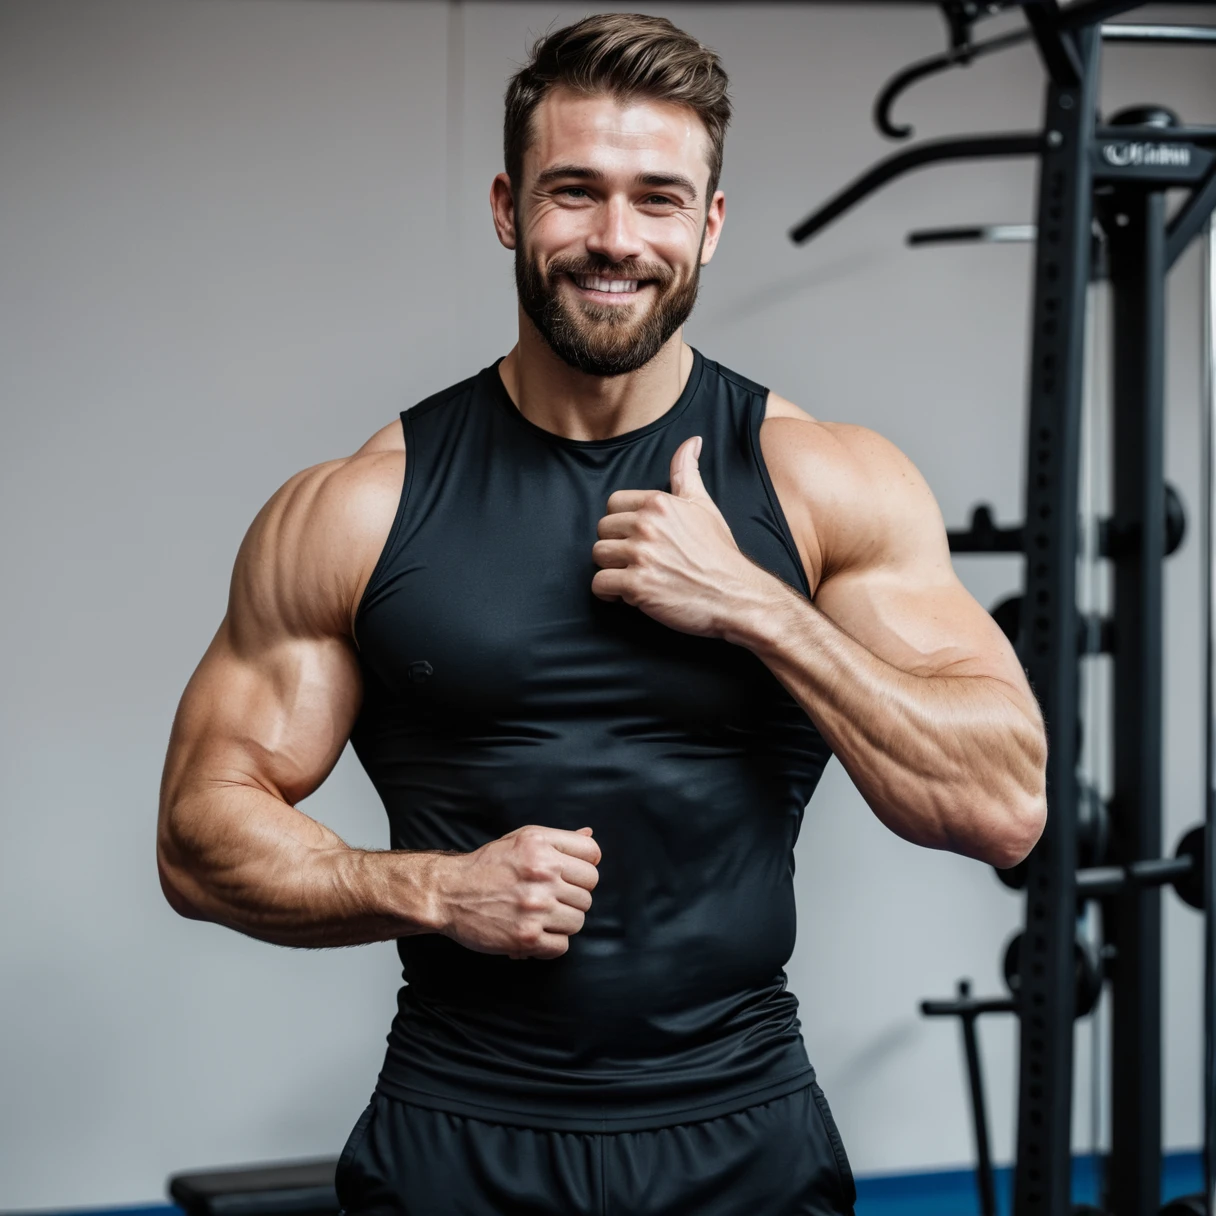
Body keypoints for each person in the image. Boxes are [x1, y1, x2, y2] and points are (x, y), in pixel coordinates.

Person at [157, 13, 1047, 1215]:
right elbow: (198, 834)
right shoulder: (359, 508)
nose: (616, 239)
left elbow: (1003, 807)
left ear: (711, 224)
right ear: (506, 207)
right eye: (574, 192)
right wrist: (431, 888)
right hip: (458, 1132)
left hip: (744, 1129)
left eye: (658, 199)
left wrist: (756, 606)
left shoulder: (823, 480)